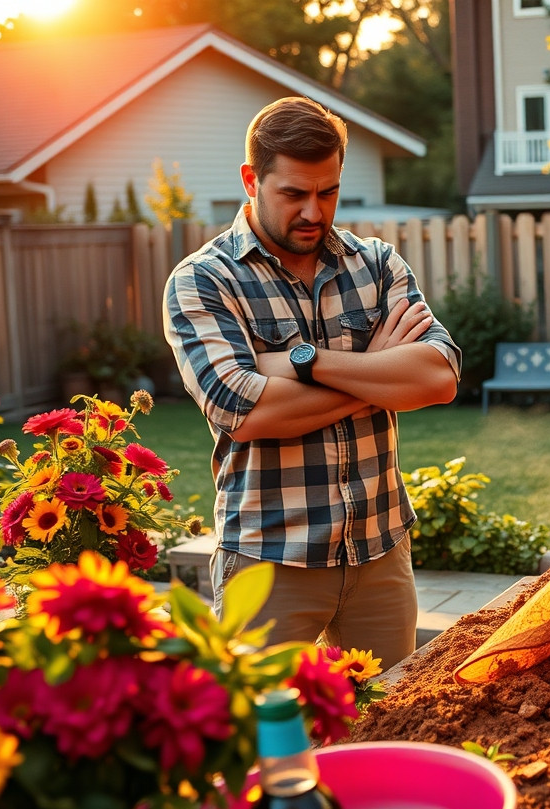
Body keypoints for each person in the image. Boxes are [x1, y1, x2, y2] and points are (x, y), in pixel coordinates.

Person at [163, 96, 460, 667]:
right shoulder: (204, 280)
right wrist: (376, 368)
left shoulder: (376, 264)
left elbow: (438, 378)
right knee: (274, 744)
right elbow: (246, 413)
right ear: (251, 180)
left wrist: (301, 360)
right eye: (293, 194)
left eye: (328, 192)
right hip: (270, 562)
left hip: (379, 552)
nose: (314, 212)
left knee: (381, 732)